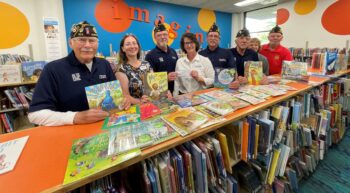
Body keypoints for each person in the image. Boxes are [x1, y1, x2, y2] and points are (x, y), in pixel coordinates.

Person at [28, 21, 130, 126]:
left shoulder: (104, 65)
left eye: (92, 40)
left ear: (97, 43)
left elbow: (114, 96)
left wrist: (122, 101)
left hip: (105, 128)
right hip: (70, 135)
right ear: (70, 42)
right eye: (82, 40)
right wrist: (75, 117)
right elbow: (35, 114)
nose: (87, 45)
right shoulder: (53, 69)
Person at [199, 23, 239, 89]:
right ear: (207, 38)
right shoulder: (200, 54)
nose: (213, 38)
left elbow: (233, 70)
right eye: (210, 36)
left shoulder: (227, 53)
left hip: (223, 87)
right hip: (205, 87)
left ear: (219, 39)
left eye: (215, 36)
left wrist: (236, 81)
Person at [116, 34, 153, 105]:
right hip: (135, 109)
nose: (132, 46)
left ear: (138, 46)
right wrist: (140, 101)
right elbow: (125, 96)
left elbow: (154, 84)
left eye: (134, 43)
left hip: (151, 104)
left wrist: (163, 93)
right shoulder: (121, 69)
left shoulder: (146, 64)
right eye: (128, 44)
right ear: (123, 48)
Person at [145, 20, 178, 94]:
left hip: (176, 92)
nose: (162, 37)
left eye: (165, 34)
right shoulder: (150, 56)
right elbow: (149, 80)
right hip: (161, 94)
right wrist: (166, 78)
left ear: (168, 36)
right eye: (159, 35)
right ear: (155, 37)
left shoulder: (173, 52)